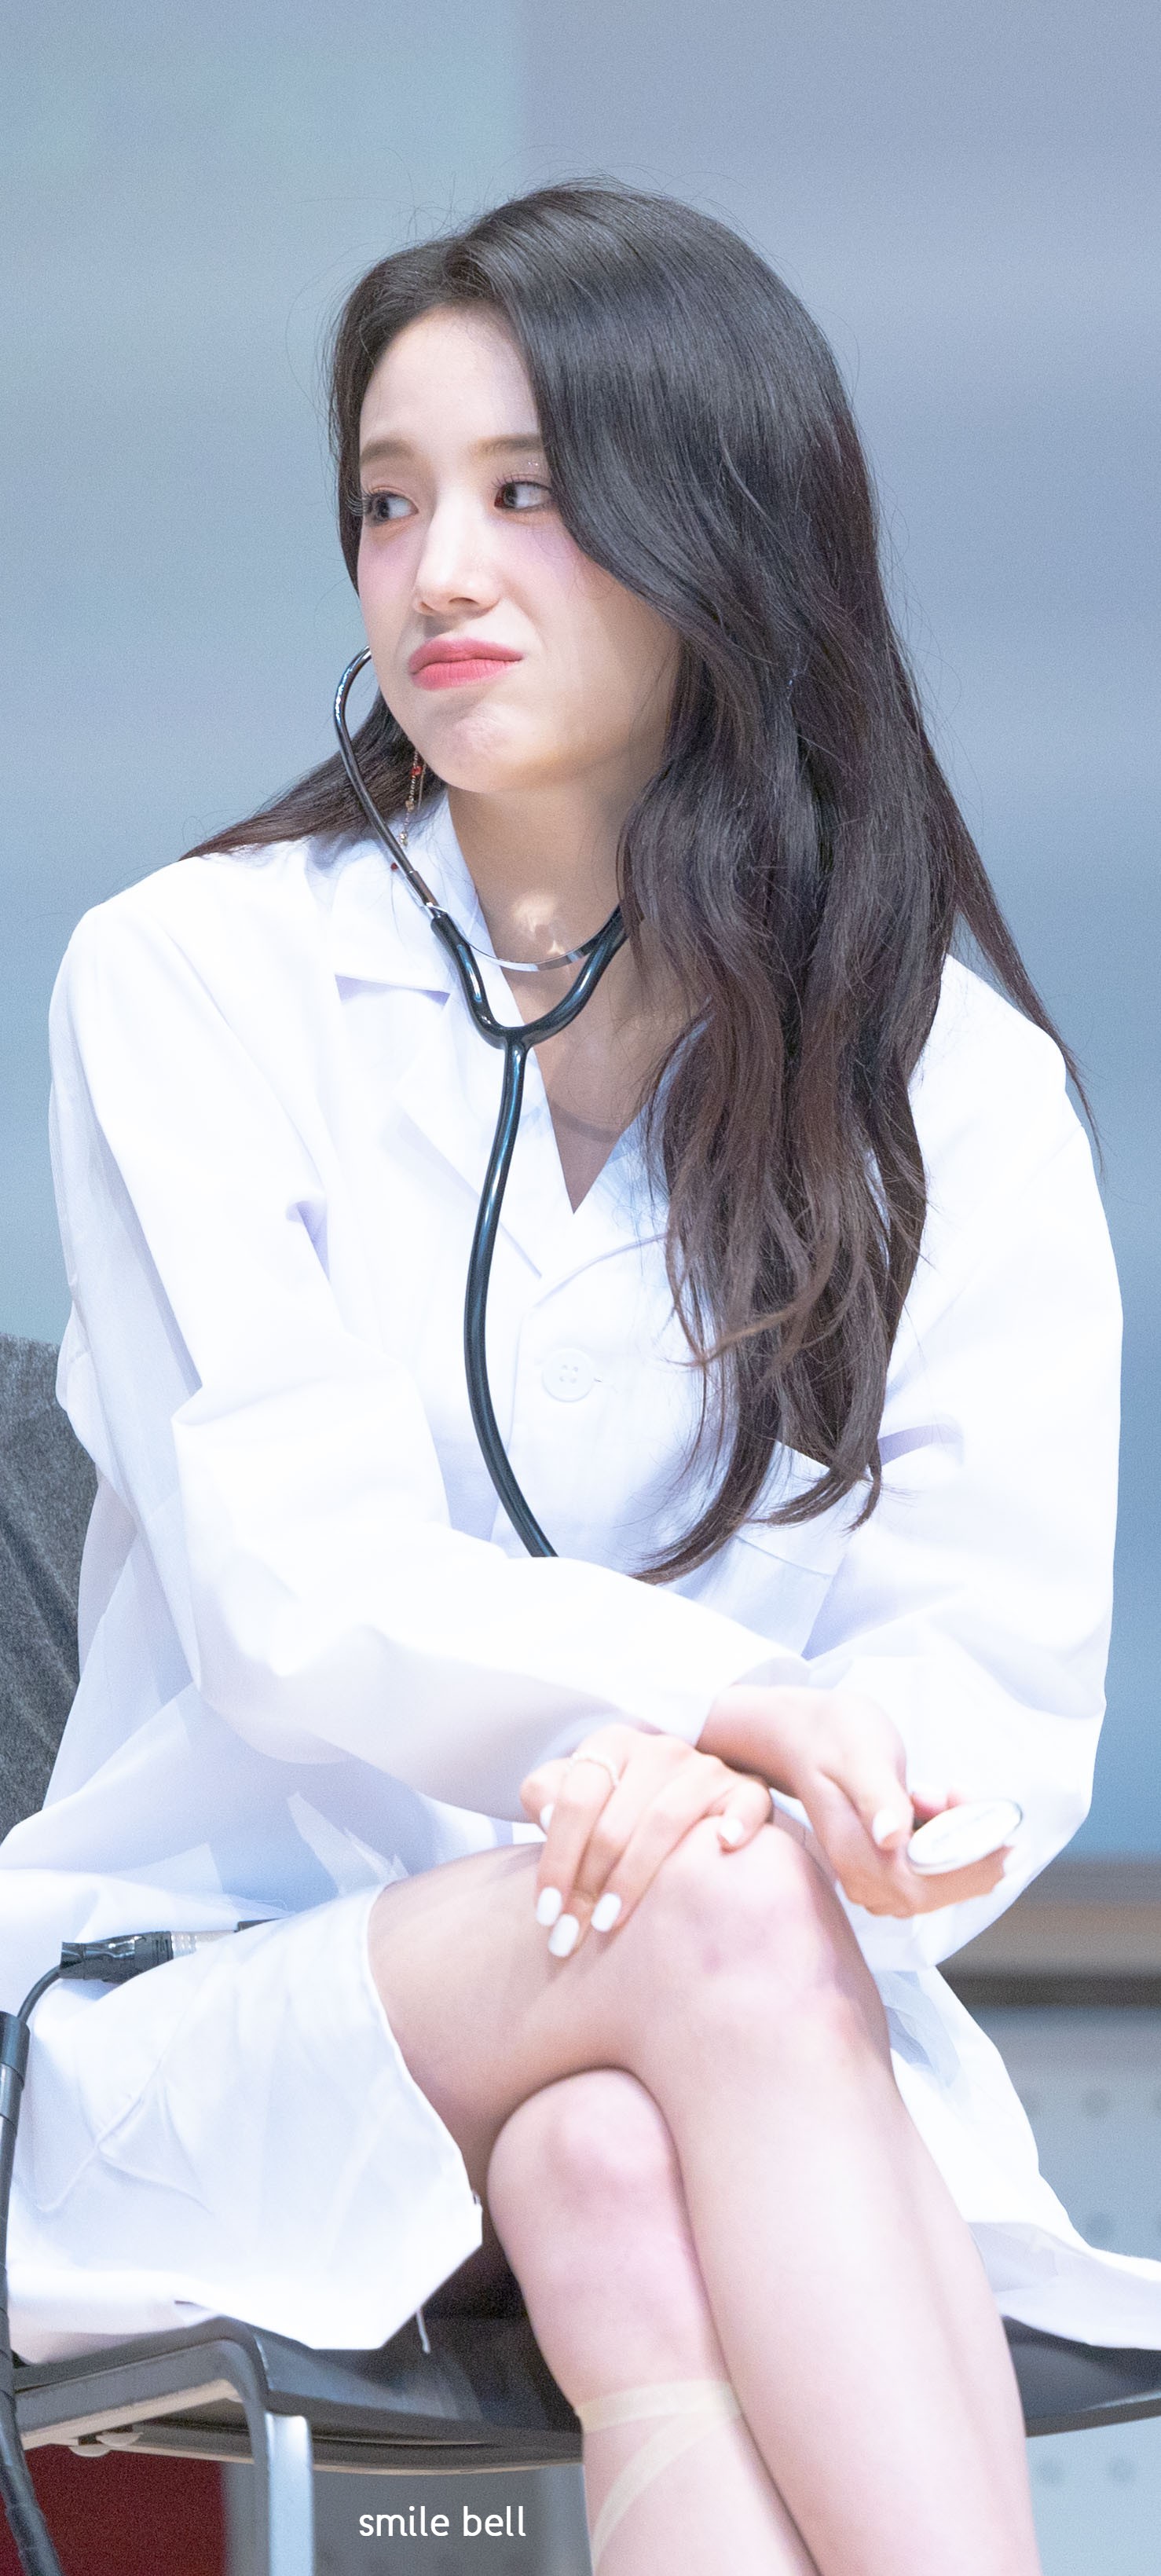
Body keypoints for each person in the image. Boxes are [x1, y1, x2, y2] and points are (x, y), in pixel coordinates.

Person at [3, 180, 1159, 2576]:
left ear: (721, 522)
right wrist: (716, 1729)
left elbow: (983, 1674)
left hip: (739, 2019)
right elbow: (296, 1588)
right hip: (231, 2000)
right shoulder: (191, 977)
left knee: (621, 2167)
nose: (437, 571)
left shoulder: (946, 1079)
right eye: (387, 501)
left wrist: (813, 1797)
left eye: (527, 492)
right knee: (711, 1908)